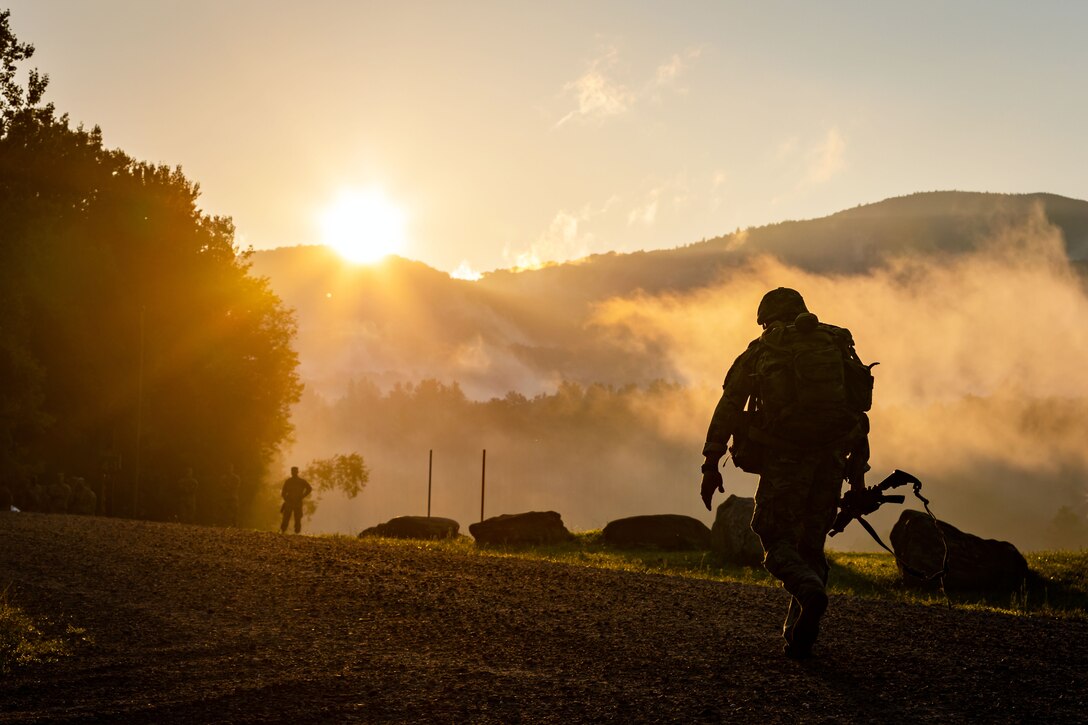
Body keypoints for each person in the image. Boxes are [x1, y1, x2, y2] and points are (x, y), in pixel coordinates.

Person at [700, 287, 871, 660]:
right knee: (811, 545)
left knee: (774, 539)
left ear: (767, 319)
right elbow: (859, 414)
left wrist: (711, 463)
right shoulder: (837, 344)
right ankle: (798, 636)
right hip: (831, 459)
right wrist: (856, 477)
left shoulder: (765, 349)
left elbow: (728, 406)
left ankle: (808, 594)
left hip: (786, 460)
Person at [280, 466, 312, 534]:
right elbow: (283, 492)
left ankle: (294, 532)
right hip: (292, 502)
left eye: (294, 471)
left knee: (296, 518)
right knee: (288, 517)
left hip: (296, 501)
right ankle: (284, 531)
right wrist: (286, 499)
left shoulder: (299, 481)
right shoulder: (290, 481)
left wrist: (302, 496)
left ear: (296, 472)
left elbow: (309, 489)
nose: (293, 473)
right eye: (293, 471)